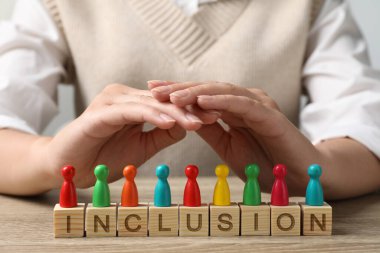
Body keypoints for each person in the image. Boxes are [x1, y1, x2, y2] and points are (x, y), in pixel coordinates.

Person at [0, 0, 379, 199]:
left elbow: (366, 130)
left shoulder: (312, 5)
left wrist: (315, 169)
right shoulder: (57, 4)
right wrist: (51, 161)